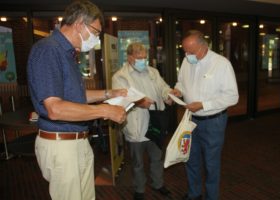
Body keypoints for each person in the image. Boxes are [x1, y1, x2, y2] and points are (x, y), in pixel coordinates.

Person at [27, 1, 127, 200]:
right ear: (80, 24)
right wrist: (105, 111)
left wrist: (109, 94)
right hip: (62, 146)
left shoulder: (68, 54)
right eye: (96, 32)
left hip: (77, 141)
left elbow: (75, 97)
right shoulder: (48, 50)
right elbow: (55, 108)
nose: (96, 39)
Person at [172, 30, 239, 200]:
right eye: (184, 51)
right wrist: (178, 90)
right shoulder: (187, 61)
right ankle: (194, 194)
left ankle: (211, 197)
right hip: (190, 120)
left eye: (191, 51)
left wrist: (203, 105)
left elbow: (232, 97)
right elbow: (181, 81)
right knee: (190, 159)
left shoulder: (221, 64)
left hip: (213, 122)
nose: (187, 55)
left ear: (204, 46)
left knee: (211, 163)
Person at [112, 42, 173, 200]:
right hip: (136, 126)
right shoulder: (120, 76)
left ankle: (158, 184)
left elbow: (163, 86)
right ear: (130, 57)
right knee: (137, 162)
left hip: (155, 123)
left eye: (145, 57)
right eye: (139, 58)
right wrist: (139, 102)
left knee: (157, 157)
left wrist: (168, 95)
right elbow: (120, 100)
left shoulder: (152, 71)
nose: (143, 61)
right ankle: (139, 189)